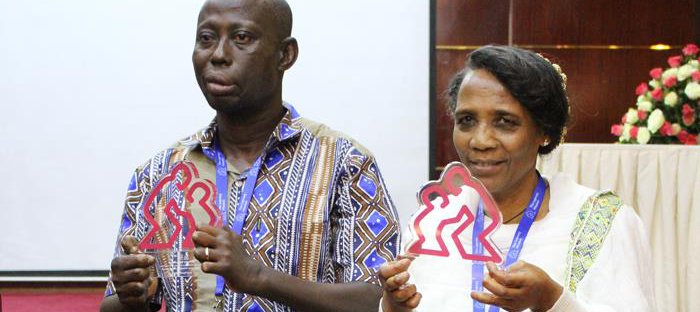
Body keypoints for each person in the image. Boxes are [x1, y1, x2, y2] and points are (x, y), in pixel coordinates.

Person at [100, 0, 400, 311]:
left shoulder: (344, 163)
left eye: (241, 38)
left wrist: (257, 276)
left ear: (285, 55)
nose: (218, 54)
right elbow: (112, 306)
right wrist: (131, 297)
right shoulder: (159, 173)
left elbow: (380, 301)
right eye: (206, 38)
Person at [378, 45, 656, 311]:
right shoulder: (436, 221)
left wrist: (551, 299)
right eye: (466, 121)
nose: (480, 140)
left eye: (504, 122)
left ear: (544, 131)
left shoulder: (601, 223)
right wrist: (394, 307)